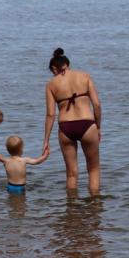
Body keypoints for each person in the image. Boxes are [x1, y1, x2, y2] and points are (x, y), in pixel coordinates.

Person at [44, 47, 103, 195]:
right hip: (87, 124)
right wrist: (98, 127)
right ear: (67, 64)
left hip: (66, 127)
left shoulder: (51, 84)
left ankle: (71, 207)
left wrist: (46, 140)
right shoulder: (85, 76)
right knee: (93, 169)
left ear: (54, 68)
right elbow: (96, 105)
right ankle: (95, 205)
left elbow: (50, 114)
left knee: (71, 173)